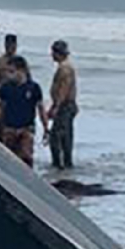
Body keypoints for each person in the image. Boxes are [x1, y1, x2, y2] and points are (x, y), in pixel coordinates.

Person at [0, 56, 45, 163]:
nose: (8, 75)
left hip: (26, 128)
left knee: (26, 158)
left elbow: (41, 108)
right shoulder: (6, 87)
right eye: (7, 71)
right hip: (9, 128)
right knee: (8, 159)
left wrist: (46, 127)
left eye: (12, 71)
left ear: (22, 71)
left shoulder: (33, 88)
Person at [45, 40, 79, 170]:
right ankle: (66, 163)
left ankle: (59, 164)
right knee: (65, 136)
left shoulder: (65, 68)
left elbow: (64, 89)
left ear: (57, 53)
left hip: (65, 106)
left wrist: (56, 107)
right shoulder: (65, 67)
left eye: (53, 52)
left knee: (57, 137)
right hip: (66, 105)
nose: (51, 55)